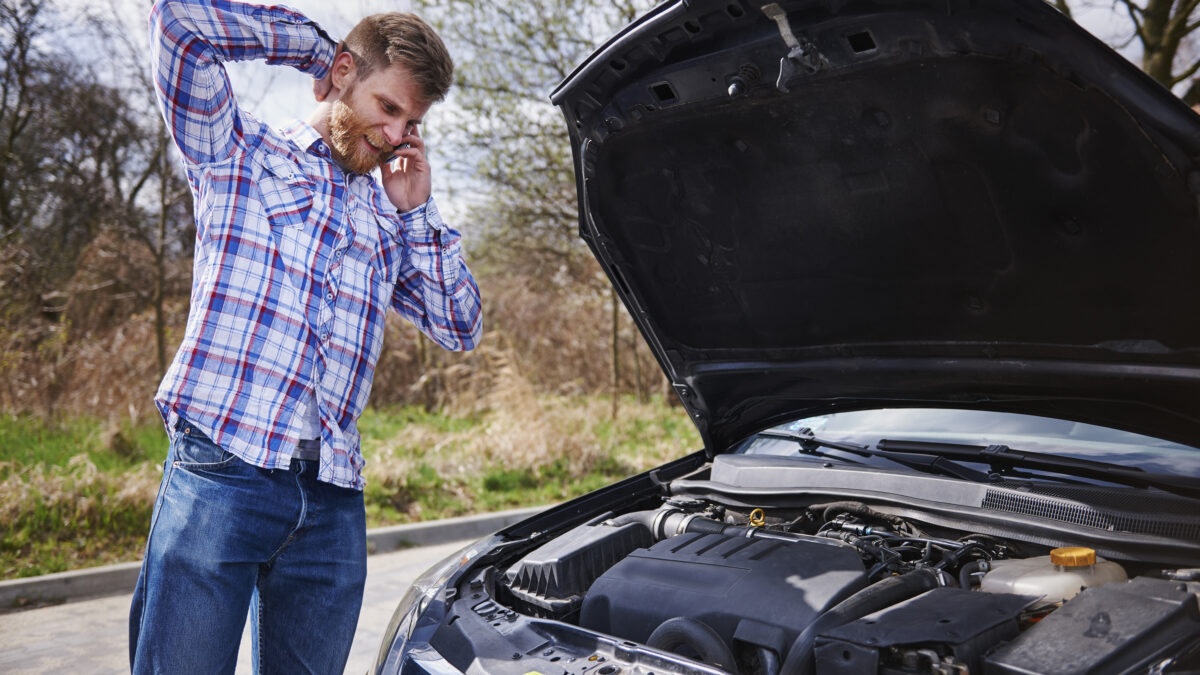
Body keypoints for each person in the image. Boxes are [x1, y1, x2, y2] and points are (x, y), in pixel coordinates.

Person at [129, 1, 481, 672]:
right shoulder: (238, 149)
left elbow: (461, 325)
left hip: (332, 498)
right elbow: (178, 22)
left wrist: (420, 212)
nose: (395, 134)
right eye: (388, 107)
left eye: (412, 122)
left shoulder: (387, 217)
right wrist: (316, 49)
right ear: (345, 73)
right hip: (221, 472)